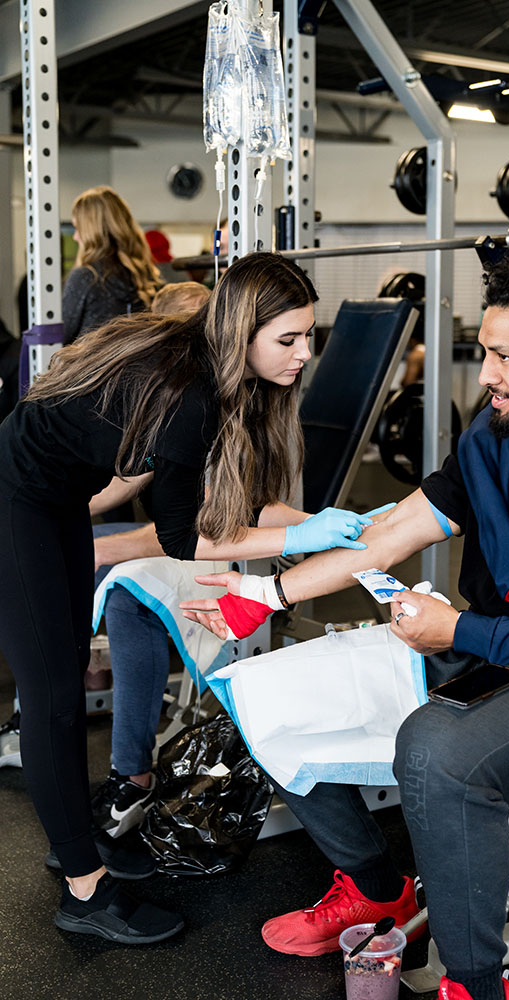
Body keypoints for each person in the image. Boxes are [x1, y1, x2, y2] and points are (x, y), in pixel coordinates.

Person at [181, 243, 509, 1000]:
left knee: (437, 751)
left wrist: (456, 632)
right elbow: (398, 527)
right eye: (484, 353)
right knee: (259, 686)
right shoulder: (503, 428)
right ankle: (377, 887)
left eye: (503, 357)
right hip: (495, 648)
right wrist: (267, 596)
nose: (486, 376)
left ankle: (472, 982)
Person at [0, 252, 389, 946]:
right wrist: (308, 528)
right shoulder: (190, 395)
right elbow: (185, 538)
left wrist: (303, 524)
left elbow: (209, 500)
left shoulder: (199, 367)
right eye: (289, 340)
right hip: (14, 502)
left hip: (56, 500)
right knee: (54, 700)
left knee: (59, 680)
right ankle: (85, 895)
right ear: (243, 333)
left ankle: (75, 844)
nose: (305, 355)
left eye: (309, 337)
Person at [62, 185, 162, 346]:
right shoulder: (143, 275)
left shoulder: (86, 277)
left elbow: (61, 336)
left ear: (91, 231)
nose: (75, 237)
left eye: (78, 228)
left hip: (93, 369)